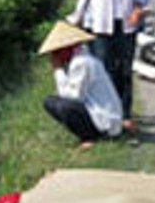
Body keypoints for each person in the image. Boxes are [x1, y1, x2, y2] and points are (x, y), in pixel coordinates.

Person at [82, 0, 148, 135]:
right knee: (104, 69)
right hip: (101, 24)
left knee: (125, 70)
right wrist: (78, 17)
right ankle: (107, 115)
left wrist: (138, 9)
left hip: (126, 23)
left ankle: (125, 114)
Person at [38, 21, 123, 150]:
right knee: (51, 101)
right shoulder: (82, 59)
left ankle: (89, 137)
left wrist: (58, 70)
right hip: (101, 115)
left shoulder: (81, 63)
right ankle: (89, 133)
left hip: (105, 120)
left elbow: (74, 97)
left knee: (64, 107)